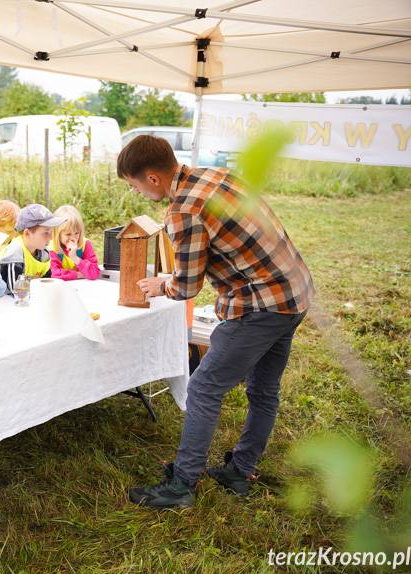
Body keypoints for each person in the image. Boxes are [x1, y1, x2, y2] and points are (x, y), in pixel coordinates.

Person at [119, 135, 314, 508]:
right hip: (295, 293)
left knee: (204, 388)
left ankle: (182, 486)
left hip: (259, 305)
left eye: (135, 185)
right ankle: (240, 471)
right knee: (263, 389)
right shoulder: (218, 176)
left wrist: (163, 283)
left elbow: (187, 285)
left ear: (153, 178)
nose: (137, 192)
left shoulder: (182, 212)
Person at [0, 203, 65, 291]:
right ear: (27, 234)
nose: (51, 237)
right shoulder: (15, 252)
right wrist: (36, 281)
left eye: (51, 232)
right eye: (45, 233)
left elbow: (47, 280)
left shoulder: (43, 252)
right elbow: (16, 289)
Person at [48, 205, 100, 281]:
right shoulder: (52, 248)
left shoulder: (85, 244)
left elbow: (94, 273)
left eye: (76, 233)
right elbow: (54, 274)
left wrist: (75, 258)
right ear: (57, 234)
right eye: (68, 234)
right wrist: (78, 274)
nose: (73, 238)